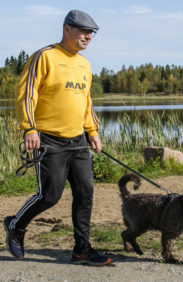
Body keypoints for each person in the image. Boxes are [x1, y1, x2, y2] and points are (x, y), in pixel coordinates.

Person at [3, 10, 111, 266]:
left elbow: (86, 101)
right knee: (50, 196)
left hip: (78, 140)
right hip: (49, 140)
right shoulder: (45, 57)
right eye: (84, 31)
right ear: (67, 29)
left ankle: (82, 250)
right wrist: (30, 129)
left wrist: (93, 131)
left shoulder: (84, 64)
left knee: (85, 192)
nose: (88, 37)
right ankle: (16, 226)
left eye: (91, 33)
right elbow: (27, 94)